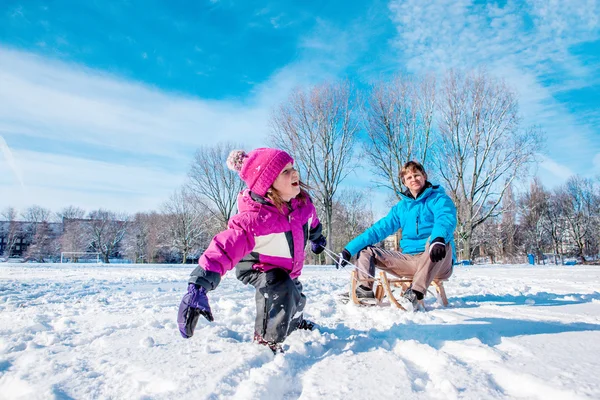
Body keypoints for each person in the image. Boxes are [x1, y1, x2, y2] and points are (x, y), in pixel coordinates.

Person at [177, 147, 326, 353]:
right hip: (258, 266)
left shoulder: (303, 205)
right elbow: (223, 247)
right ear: (268, 186)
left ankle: (294, 322)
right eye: (285, 171)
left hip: (288, 269)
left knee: (296, 298)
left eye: (293, 167)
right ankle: (266, 341)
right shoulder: (255, 219)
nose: (295, 173)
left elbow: (313, 222)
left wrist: (318, 239)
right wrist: (198, 286)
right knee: (280, 288)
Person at [339, 160, 456, 311]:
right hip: (410, 261)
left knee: (437, 241)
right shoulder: (401, 208)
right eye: (409, 177)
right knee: (366, 250)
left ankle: (415, 293)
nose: (414, 179)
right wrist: (349, 249)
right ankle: (364, 290)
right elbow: (378, 230)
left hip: (438, 260)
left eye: (417, 175)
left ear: (424, 176)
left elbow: (445, 219)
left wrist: (438, 238)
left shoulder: (439, 199)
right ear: (404, 182)